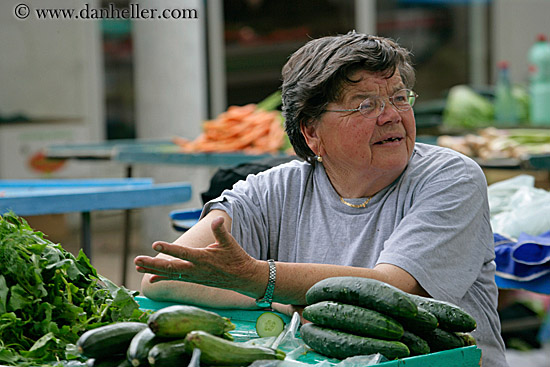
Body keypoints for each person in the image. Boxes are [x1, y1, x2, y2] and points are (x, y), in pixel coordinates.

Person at [134, 31, 508, 366]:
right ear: (311, 133)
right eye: (365, 105)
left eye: (399, 97)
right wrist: (272, 299)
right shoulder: (275, 189)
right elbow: (160, 274)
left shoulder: (451, 177)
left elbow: (392, 288)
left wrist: (258, 277)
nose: (392, 116)